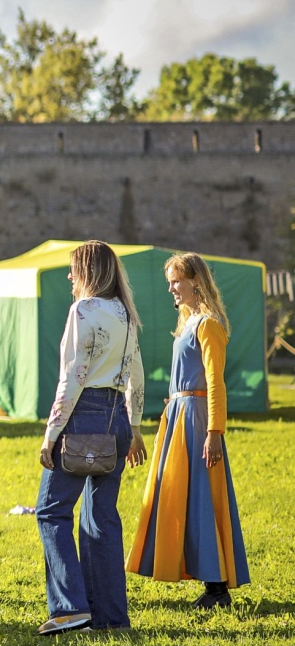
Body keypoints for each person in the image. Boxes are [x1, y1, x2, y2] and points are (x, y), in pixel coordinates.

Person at [128, 253, 251, 608]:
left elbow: (215, 383)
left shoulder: (208, 325)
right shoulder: (187, 323)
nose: (171, 289)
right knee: (177, 495)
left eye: (176, 281)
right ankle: (196, 572)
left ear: (195, 280)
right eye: (169, 282)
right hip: (179, 417)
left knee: (200, 497)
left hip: (197, 421)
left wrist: (215, 431)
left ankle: (217, 587)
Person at [36, 241, 145, 636]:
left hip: (83, 416)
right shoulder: (126, 314)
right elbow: (137, 373)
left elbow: (73, 376)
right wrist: (133, 427)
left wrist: (51, 434)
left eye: (73, 270)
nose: (69, 277)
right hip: (117, 421)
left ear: (87, 272)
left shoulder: (83, 310)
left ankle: (69, 609)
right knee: (102, 519)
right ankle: (111, 616)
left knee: (51, 510)